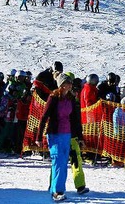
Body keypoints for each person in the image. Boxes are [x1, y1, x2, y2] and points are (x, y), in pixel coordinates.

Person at [35, 73, 84, 202]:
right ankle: (58, 191)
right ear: (61, 85)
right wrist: (38, 136)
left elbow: (75, 119)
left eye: (70, 83)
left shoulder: (71, 99)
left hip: (66, 134)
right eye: (67, 83)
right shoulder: (53, 98)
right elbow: (44, 117)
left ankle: (55, 188)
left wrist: (80, 136)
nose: (70, 85)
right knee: (58, 160)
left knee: (63, 162)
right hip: (54, 134)